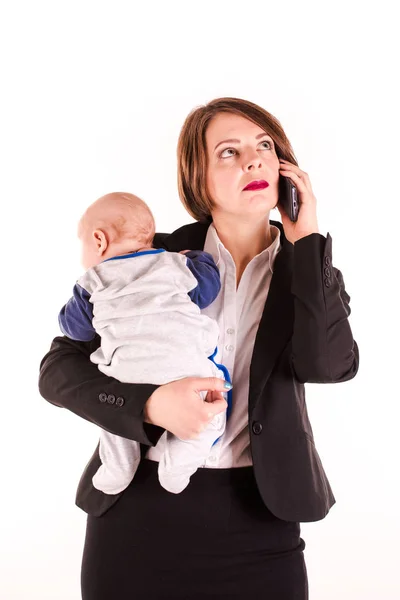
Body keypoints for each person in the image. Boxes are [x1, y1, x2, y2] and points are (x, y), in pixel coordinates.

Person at [39, 97, 359, 600]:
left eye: (264, 146)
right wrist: (146, 405)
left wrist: (308, 238)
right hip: (137, 512)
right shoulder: (150, 258)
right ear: (198, 178)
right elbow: (57, 370)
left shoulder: (310, 273)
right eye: (228, 152)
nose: (253, 160)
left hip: (262, 520)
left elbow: (329, 365)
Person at [58, 191, 232, 496]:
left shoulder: (92, 282)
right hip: (185, 371)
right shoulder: (174, 264)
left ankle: (118, 466)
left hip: (126, 377)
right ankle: (178, 462)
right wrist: (197, 258)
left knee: (114, 422)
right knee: (212, 410)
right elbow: (208, 288)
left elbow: (76, 330)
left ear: (98, 240)